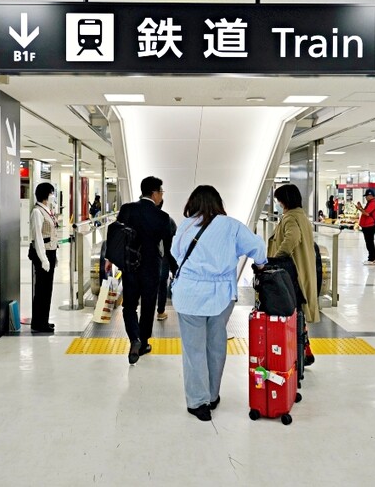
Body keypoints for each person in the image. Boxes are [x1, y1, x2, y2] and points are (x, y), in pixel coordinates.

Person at [170, 185, 267, 422]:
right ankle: (212, 396)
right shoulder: (231, 225)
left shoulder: (185, 225)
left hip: (189, 294)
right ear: (218, 203)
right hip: (221, 295)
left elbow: (174, 253)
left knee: (194, 351)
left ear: (193, 203)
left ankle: (198, 402)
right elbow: (257, 247)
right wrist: (262, 264)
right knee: (216, 345)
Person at [111, 176, 174, 365]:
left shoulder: (127, 209)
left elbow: (117, 236)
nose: (161, 196)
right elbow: (168, 248)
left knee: (129, 306)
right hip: (151, 268)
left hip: (130, 267)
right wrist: (173, 267)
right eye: (161, 192)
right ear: (155, 193)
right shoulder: (162, 217)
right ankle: (144, 342)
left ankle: (134, 339)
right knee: (148, 306)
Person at [268, 184, 320, 323]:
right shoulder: (301, 216)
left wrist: (277, 257)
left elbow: (293, 237)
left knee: (294, 305)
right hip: (303, 267)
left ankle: (294, 340)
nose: (278, 204)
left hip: (292, 269)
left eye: (279, 200)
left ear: (285, 200)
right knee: (301, 308)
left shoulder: (290, 218)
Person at [30, 182, 58, 333]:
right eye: (52, 193)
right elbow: (38, 238)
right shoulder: (37, 212)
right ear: (46, 195)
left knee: (47, 289)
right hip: (43, 254)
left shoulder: (48, 210)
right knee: (41, 289)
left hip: (50, 252)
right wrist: (43, 259)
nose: (53, 196)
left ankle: (43, 320)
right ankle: (38, 323)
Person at [156, 200, 177, 322]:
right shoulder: (168, 220)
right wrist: (174, 268)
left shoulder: (140, 217)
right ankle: (160, 312)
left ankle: (145, 315)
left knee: (147, 286)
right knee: (162, 285)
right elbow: (173, 245)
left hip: (145, 259)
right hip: (163, 258)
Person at [355, 189, 375, 265]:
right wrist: (361, 207)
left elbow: (367, 213)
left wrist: (359, 209)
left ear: (370, 196)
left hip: (370, 226)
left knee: (370, 243)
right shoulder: (370, 203)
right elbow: (366, 211)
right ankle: (371, 258)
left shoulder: (372, 203)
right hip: (367, 226)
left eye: (366, 196)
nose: (365, 198)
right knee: (369, 242)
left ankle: (372, 259)